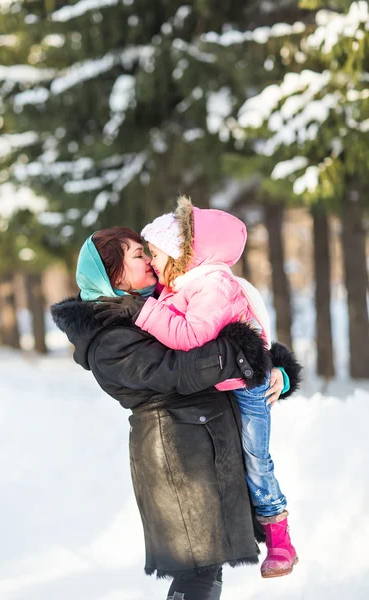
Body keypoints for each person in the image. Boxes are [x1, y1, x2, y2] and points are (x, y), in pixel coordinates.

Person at [51, 226, 300, 599]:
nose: (150, 260)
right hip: (178, 459)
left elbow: (220, 332)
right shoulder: (108, 337)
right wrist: (242, 355)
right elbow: (179, 370)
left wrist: (273, 370)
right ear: (113, 273)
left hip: (206, 447)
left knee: (208, 571)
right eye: (137, 255)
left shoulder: (162, 304)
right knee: (198, 572)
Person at [124, 197, 301, 579]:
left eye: (153, 252)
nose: (151, 262)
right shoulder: (179, 287)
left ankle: (280, 538)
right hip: (219, 388)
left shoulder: (212, 285)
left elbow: (190, 334)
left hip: (248, 386)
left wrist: (281, 371)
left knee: (256, 458)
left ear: (177, 254)